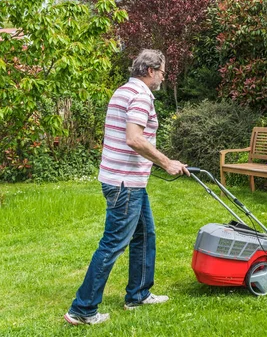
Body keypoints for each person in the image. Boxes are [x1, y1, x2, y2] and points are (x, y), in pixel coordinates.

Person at [64, 49, 189, 325]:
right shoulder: (141, 95)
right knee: (113, 244)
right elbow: (134, 138)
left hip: (124, 180)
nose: (163, 77)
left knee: (145, 235)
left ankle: (139, 294)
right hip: (125, 184)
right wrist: (166, 162)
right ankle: (82, 309)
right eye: (162, 72)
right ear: (150, 71)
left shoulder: (123, 90)